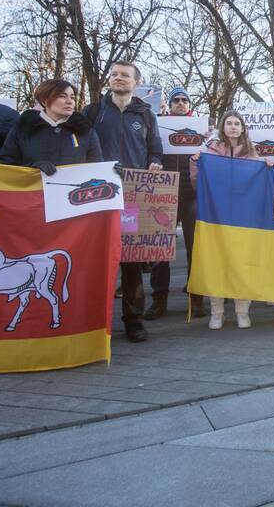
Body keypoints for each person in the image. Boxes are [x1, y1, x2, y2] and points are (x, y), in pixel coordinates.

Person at [84, 61, 164, 342]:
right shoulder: (92, 111)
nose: (119, 79)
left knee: (130, 261)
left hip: (133, 195)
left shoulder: (145, 114)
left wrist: (154, 163)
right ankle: (94, 320)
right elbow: (79, 146)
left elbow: (155, 149)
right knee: (96, 259)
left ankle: (134, 320)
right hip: (97, 195)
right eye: (115, 75)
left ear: (135, 82)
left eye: (125, 76)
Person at [189, 110, 261, 328]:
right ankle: (217, 312)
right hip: (216, 215)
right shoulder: (210, 151)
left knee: (242, 261)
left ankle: (242, 311)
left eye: (236, 123)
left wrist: (266, 167)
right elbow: (197, 183)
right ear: (222, 126)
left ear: (242, 128)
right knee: (216, 260)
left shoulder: (251, 152)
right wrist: (195, 163)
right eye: (228, 123)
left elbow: (258, 183)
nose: (232, 127)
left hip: (243, 216)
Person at [146, 88, 203, 321]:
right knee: (160, 249)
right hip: (164, 193)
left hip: (192, 196)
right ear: (170, 104)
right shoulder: (158, 126)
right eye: (176, 100)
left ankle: (196, 298)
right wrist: (154, 161)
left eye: (184, 100)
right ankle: (159, 300)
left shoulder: (201, 128)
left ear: (189, 105)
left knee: (195, 248)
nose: (180, 103)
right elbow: (151, 152)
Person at [0, 79, 103, 170]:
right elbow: (8, 167)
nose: (70, 101)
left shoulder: (86, 131)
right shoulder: (22, 130)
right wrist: (31, 168)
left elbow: (96, 168)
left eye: (72, 97)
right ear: (44, 100)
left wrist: (112, 172)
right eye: (63, 96)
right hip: (34, 191)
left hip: (74, 192)